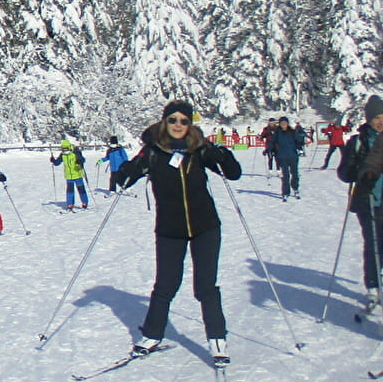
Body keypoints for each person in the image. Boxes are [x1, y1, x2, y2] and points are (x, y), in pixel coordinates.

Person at [117, 99, 242, 365]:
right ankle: (152, 335)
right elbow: (124, 179)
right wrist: (128, 171)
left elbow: (233, 174)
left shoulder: (199, 149)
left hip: (205, 227)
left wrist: (222, 154)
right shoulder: (153, 151)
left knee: (206, 286)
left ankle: (217, 338)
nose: (178, 125)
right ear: (165, 121)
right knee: (165, 285)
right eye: (173, 120)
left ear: (190, 124)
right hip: (170, 230)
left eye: (184, 121)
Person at [339, 95, 383, 312]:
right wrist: (358, 172)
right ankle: (373, 287)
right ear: (368, 119)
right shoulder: (358, 141)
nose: (380, 121)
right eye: (376, 117)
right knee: (374, 244)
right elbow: (344, 172)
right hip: (367, 200)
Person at [267, 116, 308, 200]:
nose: (283, 124)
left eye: (285, 123)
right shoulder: (277, 133)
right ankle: (285, 192)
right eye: (282, 123)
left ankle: (295, 188)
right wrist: (268, 150)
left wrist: (301, 140)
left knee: (295, 174)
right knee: (285, 175)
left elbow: (298, 141)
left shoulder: (292, 132)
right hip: (282, 156)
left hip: (293, 156)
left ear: (287, 123)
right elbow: (272, 142)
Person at [50, 138, 89, 210]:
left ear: (69, 147)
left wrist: (79, 161)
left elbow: (83, 160)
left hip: (78, 175)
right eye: (63, 149)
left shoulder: (76, 152)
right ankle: (70, 205)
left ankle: (85, 203)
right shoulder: (63, 155)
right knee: (69, 191)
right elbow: (57, 163)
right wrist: (53, 161)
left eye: (66, 149)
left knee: (81, 190)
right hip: (69, 176)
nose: (65, 151)